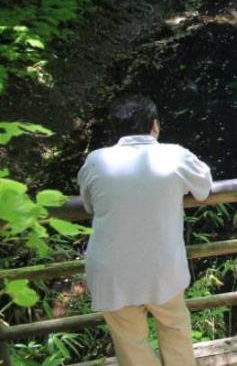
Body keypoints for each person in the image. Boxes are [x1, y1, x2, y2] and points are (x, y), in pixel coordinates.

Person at [78, 95, 213, 366]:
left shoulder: (96, 161)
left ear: (115, 130)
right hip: (161, 266)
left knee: (131, 345)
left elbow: (89, 204)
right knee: (175, 330)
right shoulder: (175, 155)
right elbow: (204, 187)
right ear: (155, 125)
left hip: (111, 269)